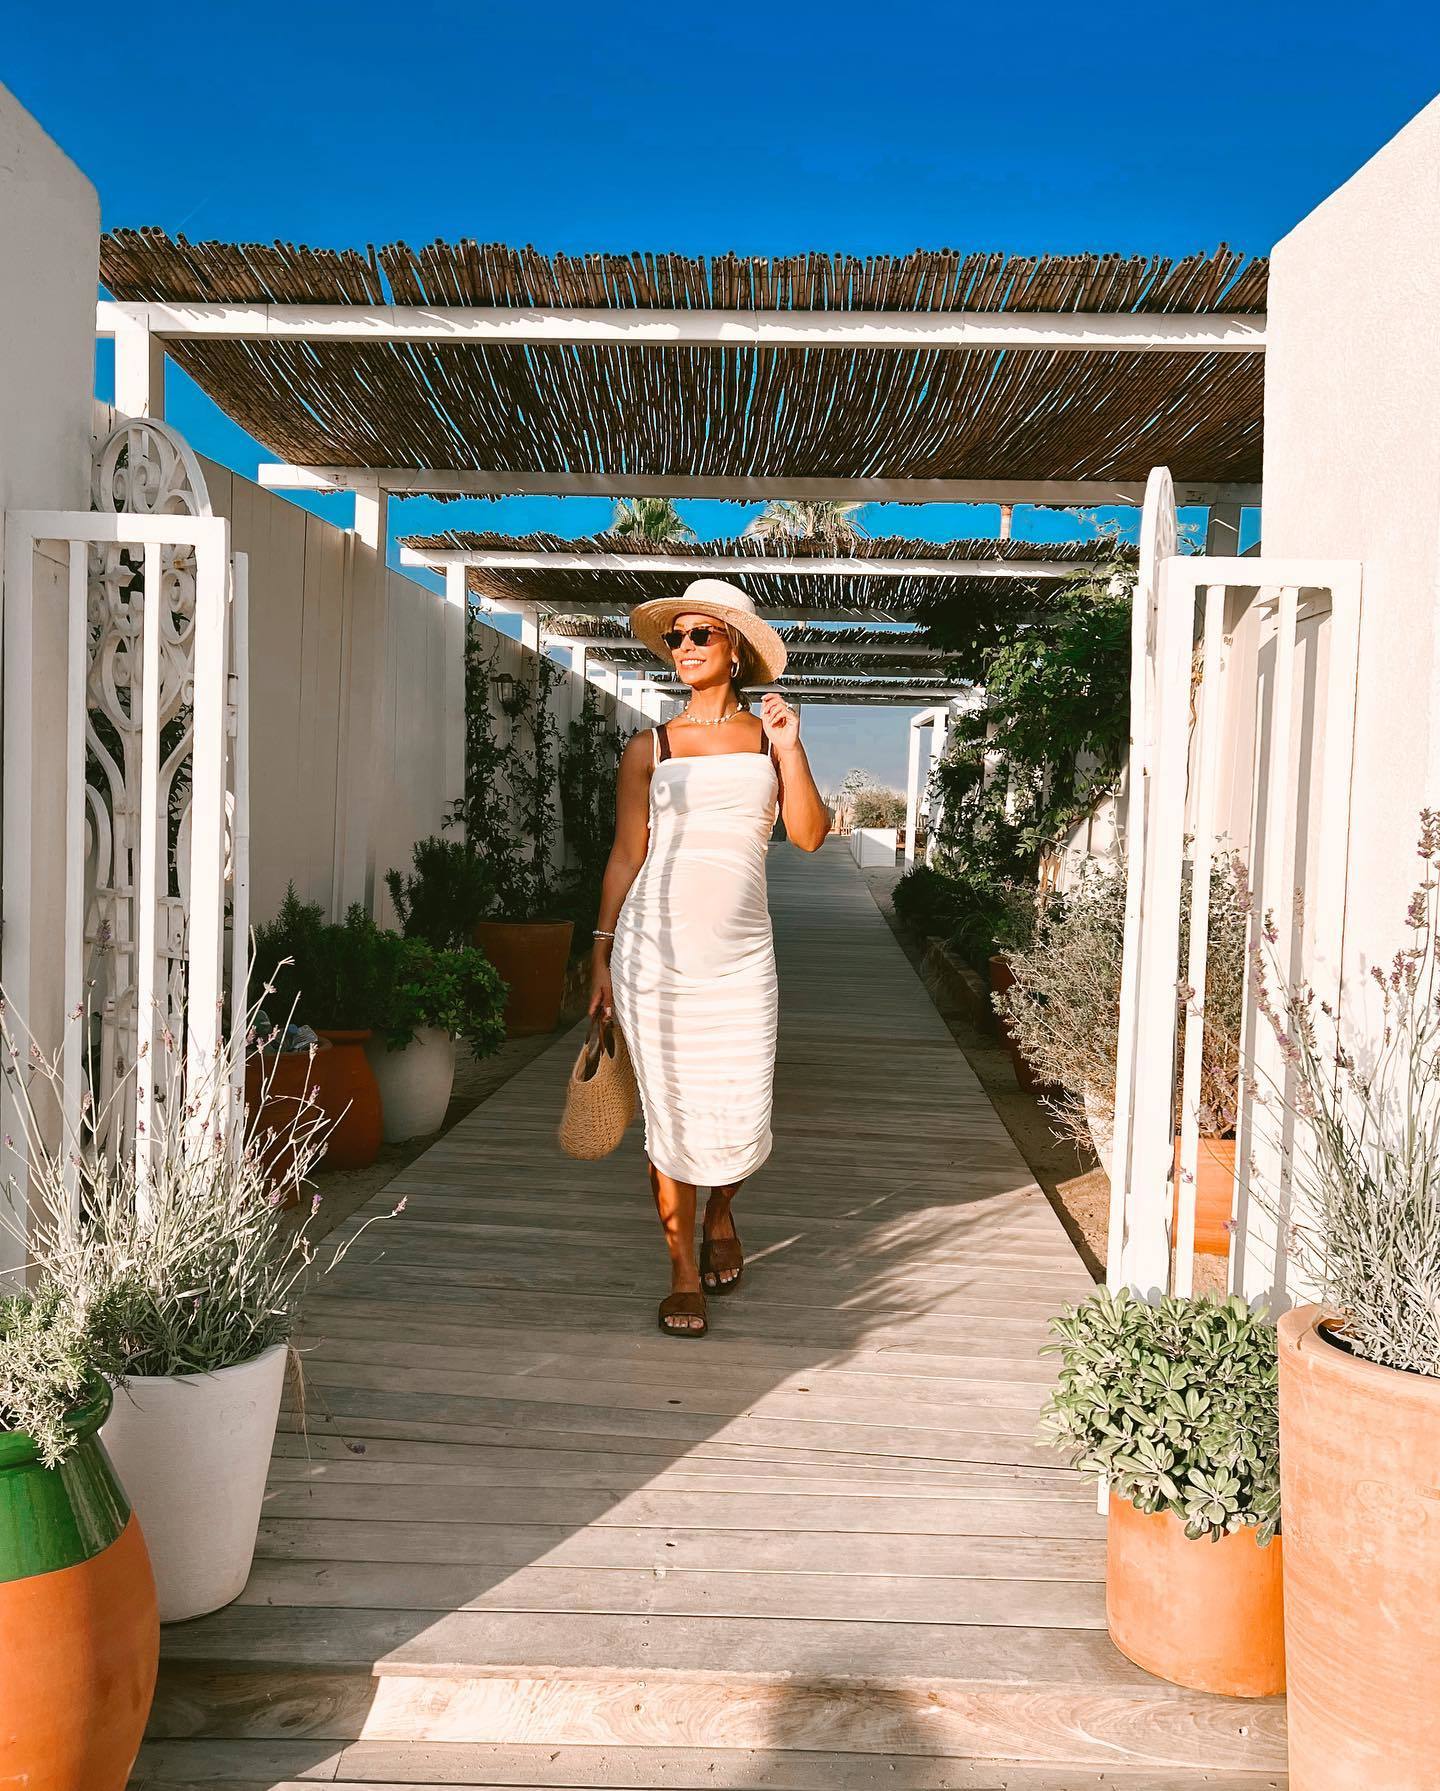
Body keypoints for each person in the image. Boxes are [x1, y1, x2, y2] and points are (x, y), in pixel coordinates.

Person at [588, 578, 830, 1337]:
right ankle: (682, 1274)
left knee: (741, 1105)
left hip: (742, 961)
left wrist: (791, 748)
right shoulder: (649, 747)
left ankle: (721, 1211)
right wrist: (598, 953)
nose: (685, 647)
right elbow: (626, 855)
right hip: (652, 956)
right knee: (671, 1114)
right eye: (677, 637)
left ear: (736, 650)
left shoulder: (769, 737)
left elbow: (809, 835)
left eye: (702, 634)